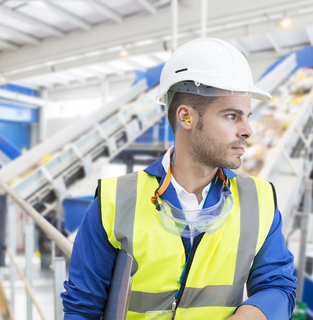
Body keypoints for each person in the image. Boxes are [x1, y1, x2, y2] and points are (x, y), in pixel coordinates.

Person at [61, 38, 297, 320]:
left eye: (247, 116)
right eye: (232, 116)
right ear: (185, 117)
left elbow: (279, 285)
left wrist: (249, 314)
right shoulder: (115, 200)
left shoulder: (259, 199)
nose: (248, 130)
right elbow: (81, 308)